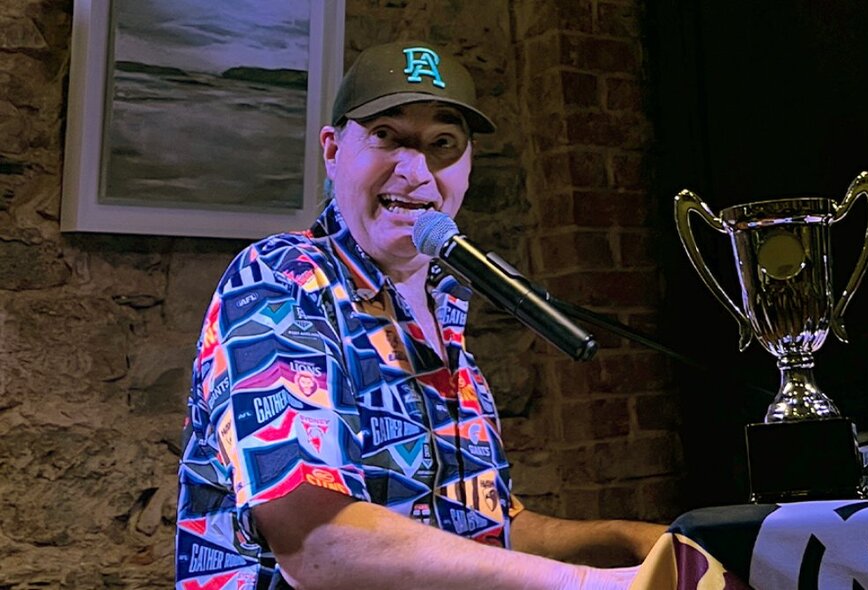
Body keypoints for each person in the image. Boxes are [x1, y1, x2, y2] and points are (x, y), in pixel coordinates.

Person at [176, 40, 666, 590]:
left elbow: (478, 530)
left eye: (443, 143)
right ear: (333, 150)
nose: (415, 171)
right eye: (387, 136)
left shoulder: (443, 302)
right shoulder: (282, 279)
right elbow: (322, 546)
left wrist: (625, 541)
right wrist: (587, 584)